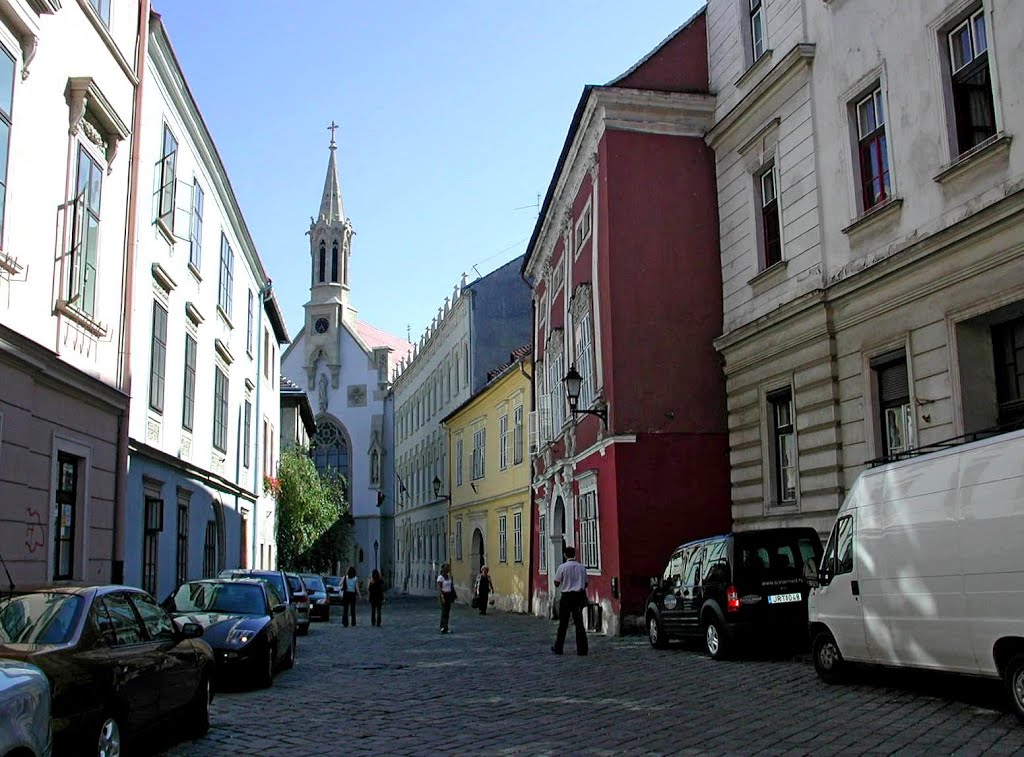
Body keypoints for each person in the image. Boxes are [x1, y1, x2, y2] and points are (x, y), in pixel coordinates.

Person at [551, 546, 589, 656]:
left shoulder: (562, 567)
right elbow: (586, 583)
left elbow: (556, 583)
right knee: (579, 623)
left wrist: (566, 581)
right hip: (578, 596)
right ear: (574, 554)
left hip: (567, 597)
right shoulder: (581, 567)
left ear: (565, 555)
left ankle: (559, 647)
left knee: (563, 623)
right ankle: (582, 649)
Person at [436, 563, 456, 634]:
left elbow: (451, 586)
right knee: (444, 611)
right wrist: (442, 596)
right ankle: (442, 627)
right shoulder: (440, 578)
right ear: (443, 569)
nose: (448, 569)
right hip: (443, 595)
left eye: (448, 568)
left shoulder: (449, 577)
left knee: (447, 612)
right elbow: (439, 588)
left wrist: (453, 595)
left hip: (449, 595)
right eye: (447, 568)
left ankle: (446, 627)